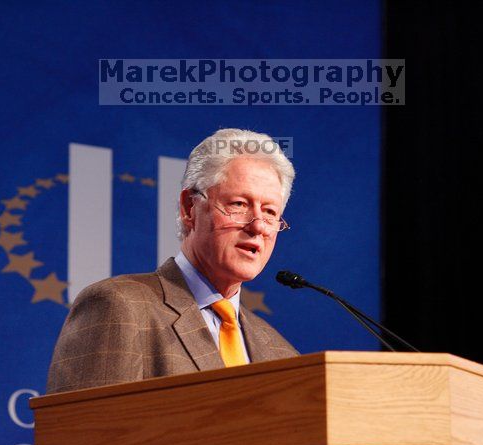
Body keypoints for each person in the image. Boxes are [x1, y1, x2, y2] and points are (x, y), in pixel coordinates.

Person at [46, 129, 298, 394]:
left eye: (270, 212)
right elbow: (84, 431)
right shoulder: (120, 307)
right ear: (190, 208)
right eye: (238, 204)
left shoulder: (281, 353)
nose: (258, 226)